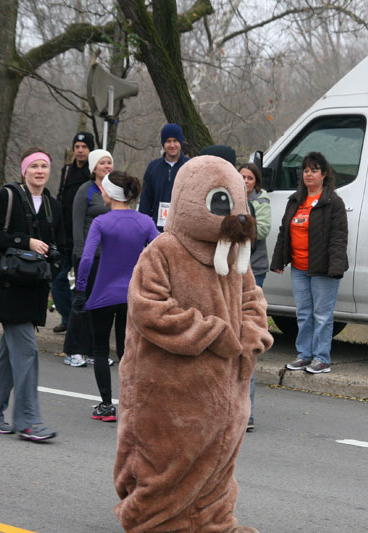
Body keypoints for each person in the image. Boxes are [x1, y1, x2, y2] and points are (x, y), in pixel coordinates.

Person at [114, 155, 273, 532]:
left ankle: (214, 521)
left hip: (227, 388)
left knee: (219, 460)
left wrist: (251, 338)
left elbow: (253, 299)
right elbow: (148, 307)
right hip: (171, 390)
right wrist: (212, 333)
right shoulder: (164, 250)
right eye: (222, 202)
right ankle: (155, 522)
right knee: (170, 460)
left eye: (238, 203)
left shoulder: (237, 254)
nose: (236, 215)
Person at [0, 147, 62, 442]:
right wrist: (25, 241)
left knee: (9, 357)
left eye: (44, 166)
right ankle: (28, 421)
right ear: (24, 170)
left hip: (35, 290)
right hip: (8, 288)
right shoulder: (7, 196)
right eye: (34, 166)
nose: (40, 171)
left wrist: (55, 256)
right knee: (26, 352)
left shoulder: (53, 204)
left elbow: (56, 243)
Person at [75, 171, 158, 422]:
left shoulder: (101, 222)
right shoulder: (145, 222)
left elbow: (87, 258)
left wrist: (80, 289)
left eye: (104, 187)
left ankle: (105, 405)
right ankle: (130, 404)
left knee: (100, 350)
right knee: (127, 352)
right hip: (132, 295)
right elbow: (158, 254)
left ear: (110, 193)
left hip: (102, 294)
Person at [271, 151, 348, 374]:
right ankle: (304, 355)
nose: (309, 174)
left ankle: (322, 358)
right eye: (305, 170)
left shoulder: (332, 202)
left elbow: (339, 237)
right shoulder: (296, 200)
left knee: (322, 315)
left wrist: (335, 267)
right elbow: (284, 231)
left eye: (314, 170)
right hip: (299, 267)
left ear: (324, 174)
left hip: (323, 269)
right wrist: (278, 261)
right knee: (303, 314)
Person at [63, 149, 112, 368]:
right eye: (103, 163)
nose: (107, 166)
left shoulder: (115, 191)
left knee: (101, 305)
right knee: (82, 301)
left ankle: (95, 351)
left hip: (109, 255)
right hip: (87, 255)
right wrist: (82, 254)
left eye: (109, 162)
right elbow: (76, 223)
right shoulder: (85, 190)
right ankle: (74, 350)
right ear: (94, 167)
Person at [239, 162, 270, 432]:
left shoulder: (260, 202)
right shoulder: (226, 199)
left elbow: (261, 231)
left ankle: (247, 412)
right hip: (228, 272)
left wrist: (246, 213)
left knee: (248, 338)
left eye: (249, 178)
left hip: (253, 271)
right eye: (241, 177)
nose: (245, 181)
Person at [52, 131, 94, 334]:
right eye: (77, 147)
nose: (80, 150)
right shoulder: (67, 170)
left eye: (84, 147)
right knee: (58, 279)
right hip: (64, 237)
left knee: (82, 282)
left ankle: (81, 323)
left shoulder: (93, 173)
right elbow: (61, 198)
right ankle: (68, 317)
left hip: (85, 238)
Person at [138, 123, 190, 231]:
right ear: (163, 144)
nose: (172, 145)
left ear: (180, 142)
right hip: (157, 230)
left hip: (183, 230)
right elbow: (146, 200)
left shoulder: (190, 166)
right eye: (168, 141)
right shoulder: (153, 167)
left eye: (175, 141)